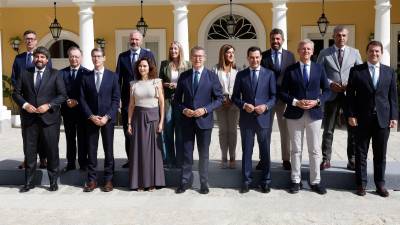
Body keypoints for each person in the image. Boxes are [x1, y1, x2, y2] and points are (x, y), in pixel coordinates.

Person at [347, 41, 398, 197]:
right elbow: (350, 96)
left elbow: (393, 97)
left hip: (382, 119)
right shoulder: (356, 71)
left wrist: (394, 116)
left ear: (381, 53)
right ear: (366, 52)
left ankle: (380, 184)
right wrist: (351, 114)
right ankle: (361, 184)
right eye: (371, 51)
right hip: (362, 119)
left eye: (377, 51)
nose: (374, 54)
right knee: (361, 153)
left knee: (380, 154)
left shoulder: (389, 72)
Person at [12, 46, 66, 192]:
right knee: (30, 152)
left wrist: (48, 105)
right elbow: (16, 94)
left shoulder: (55, 74)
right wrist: (25, 105)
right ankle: (28, 183)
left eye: (42, 57)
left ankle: (53, 182)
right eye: (37, 57)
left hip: (49, 119)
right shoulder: (24, 73)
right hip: (29, 119)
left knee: (51, 151)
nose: (39, 59)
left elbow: (62, 95)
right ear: (33, 58)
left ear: (47, 60)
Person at [280, 39, 330, 195]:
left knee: (315, 150)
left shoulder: (319, 69)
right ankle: (296, 180)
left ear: (313, 51)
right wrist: (295, 102)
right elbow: (282, 92)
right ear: (298, 51)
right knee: (296, 150)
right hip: (294, 114)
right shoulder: (290, 70)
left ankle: (315, 181)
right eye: (302, 49)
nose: (305, 51)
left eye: (308, 49)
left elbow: (327, 91)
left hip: (314, 114)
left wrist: (317, 101)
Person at [174, 46, 223, 194]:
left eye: (201, 56)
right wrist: (184, 109)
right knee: (187, 153)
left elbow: (219, 99)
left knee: (204, 154)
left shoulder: (212, 76)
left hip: (204, 121)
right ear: (191, 57)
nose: (198, 59)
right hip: (187, 121)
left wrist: (206, 109)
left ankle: (203, 183)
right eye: (195, 56)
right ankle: (184, 181)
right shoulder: (184, 76)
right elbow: (176, 100)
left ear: (205, 58)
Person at [318, 25, 363, 171]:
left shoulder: (355, 53)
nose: (341, 38)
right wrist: (330, 83)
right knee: (329, 129)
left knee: (352, 129)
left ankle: (352, 160)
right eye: (338, 35)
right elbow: (319, 73)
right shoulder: (324, 53)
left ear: (347, 37)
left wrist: (349, 84)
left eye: (343, 35)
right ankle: (326, 159)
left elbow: (360, 74)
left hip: (350, 96)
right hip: (331, 95)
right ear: (333, 36)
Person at [232, 46, 276, 193]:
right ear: (247, 58)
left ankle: (266, 181)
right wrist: (244, 105)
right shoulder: (241, 75)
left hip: (263, 118)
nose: (254, 60)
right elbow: (235, 97)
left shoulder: (269, 74)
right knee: (247, 151)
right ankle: (246, 181)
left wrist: (266, 107)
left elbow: (273, 97)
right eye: (252, 57)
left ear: (260, 58)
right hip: (247, 119)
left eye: (257, 57)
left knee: (265, 151)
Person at [80, 48, 120, 192]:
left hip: (107, 120)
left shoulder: (113, 76)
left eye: (98, 56)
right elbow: (82, 99)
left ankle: (109, 180)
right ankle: (92, 180)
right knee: (91, 151)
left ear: (104, 58)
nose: (96, 59)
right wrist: (91, 116)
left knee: (109, 151)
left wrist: (106, 117)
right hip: (91, 120)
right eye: (93, 56)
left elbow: (116, 100)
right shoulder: (86, 77)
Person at [11, 30, 52, 169]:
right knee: (27, 134)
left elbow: (49, 77)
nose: (29, 41)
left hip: (41, 103)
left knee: (42, 134)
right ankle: (27, 159)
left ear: (36, 40)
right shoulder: (19, 59)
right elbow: (14, 78)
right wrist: (23, 101)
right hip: (26, 102)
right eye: (27, 39)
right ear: (24, 41)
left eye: (32, 39)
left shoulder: (44, 57)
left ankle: (44, 159)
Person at [116, 30, 156, 169]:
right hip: (128, 100)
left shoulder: (149, 54)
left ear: (141, 40)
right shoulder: (122, 57)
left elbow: (153, 74)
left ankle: (145, 160)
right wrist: (118, 99)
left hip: (145, 99)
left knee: (145, 131)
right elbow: (117, 79)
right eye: (132, 39)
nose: (134, 42)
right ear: (129, 40)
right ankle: (131, 159)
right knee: (129, 130)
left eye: (137, 39)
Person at [127, 57, 165, 191]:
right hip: (138, 118)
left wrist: (161, 122)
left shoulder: (157, 82)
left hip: (153, 118)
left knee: (152, 152)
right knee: (139, 151)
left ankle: (152, 182)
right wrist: (129, 123)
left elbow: (161, 103)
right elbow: (131, 105)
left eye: (145, 66)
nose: (142, 68)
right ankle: (140, 182)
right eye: (140, 66)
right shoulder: (133, 84)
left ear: (150, 67)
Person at [260, 28, 296, 171]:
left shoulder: (290, 56)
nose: (275, 41)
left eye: (278, 39)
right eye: (273, 39)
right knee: (265, 130)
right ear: (270, 40)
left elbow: (293, 77)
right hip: (267, 100)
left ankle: (286, 159)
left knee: (285, 131)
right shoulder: (263, 56)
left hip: (284, 99)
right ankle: (264, 159)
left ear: (282, 40)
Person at [159, 41, 191, 168]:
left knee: (180, 131)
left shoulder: (187, 65)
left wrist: (178, 85)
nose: (173, 51)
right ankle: (169, 160)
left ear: (180, 50)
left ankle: (180, 160)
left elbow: (189, 82)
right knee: (167, 128)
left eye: (175, 49)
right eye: (171, 48)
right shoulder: (164, 64)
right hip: (167, 100)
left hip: (181, 101)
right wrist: (166, 84)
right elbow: (159, 81)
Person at [60, 46, 90, 171]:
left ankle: (83, 163)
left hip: (82, 111)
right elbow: (59, 90)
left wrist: (77, 101)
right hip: (67, 111)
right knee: (70, 138)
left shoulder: (88, 73)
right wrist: (67, 100)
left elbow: (89, 92)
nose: (74, 59)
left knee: (83, 138)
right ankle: (71, 163)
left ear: (81, 58)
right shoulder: (61, 73)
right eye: (71, 56)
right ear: (68, 57)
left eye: (76, 56)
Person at [212, 44, 240, 169]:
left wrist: (232, 99)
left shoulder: (237, 69)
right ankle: (224, 157)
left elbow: (239, 88)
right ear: (223, 54)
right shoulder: (215, 69)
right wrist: (221, 98)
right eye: (228, 52)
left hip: (234, 103)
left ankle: (232, 157)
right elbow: (213, 86)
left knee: (233, 131)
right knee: (223, 131)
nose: (231, 55)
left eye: (232, 52)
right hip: (220, 103)